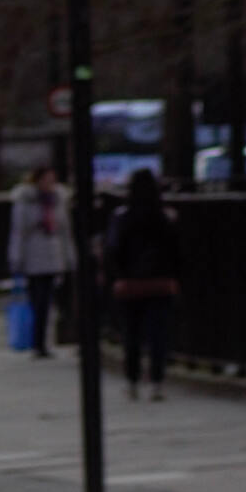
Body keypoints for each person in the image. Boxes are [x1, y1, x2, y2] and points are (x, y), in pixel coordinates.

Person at [105, 167, 181, 402]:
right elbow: (176, 250)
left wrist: (118, 274)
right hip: (160, 281)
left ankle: (132, 381)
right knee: (158, 333)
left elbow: (114, 249)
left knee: (132, 333)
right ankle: (156, 382)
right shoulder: (166, 216)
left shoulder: (122, 216)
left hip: (130, 282)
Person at [7, 163, 73, 358]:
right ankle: (37, 342)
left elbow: (65, 231)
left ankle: (43, 341)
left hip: (53, 255)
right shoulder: (25, 201)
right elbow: (18, 232)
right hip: (33, 257)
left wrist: (69, 257)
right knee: (38, 300)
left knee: (49, 300)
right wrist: (16, 258)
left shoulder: (58, 200)